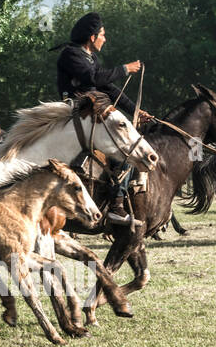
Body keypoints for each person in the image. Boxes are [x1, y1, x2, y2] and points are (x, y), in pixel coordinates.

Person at [53, 13, 150, 226]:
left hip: (92, 111)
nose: (105, 39)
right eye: (103, 35)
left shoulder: (91, 57)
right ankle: (116, 204)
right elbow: (94, 79)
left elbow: (107, 87)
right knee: (125, 150)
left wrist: (135, 111)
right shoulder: (71, 54)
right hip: (76, 112)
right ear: (92, 36)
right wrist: (125, 69)